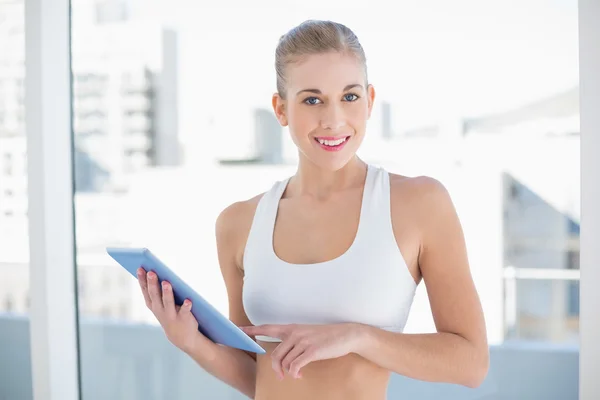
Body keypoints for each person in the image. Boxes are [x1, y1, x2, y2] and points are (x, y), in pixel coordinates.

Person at [136, 19, 489, 400]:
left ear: (370, 101)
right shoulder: (238, 224)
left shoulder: (420, 204)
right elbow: (256, 375)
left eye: (349, 97)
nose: (334, 120)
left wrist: (357, 337)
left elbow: (470, 363)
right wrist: (192, 343)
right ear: (281, 108)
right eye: (312, 99)